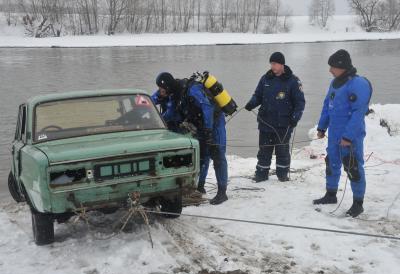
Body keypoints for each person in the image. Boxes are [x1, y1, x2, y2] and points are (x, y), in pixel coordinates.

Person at [153, 72, 229, 205]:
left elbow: (207, 107)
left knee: (218, 156)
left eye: (161, 88)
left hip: (215, 122)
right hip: (200, 124)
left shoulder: (192, 90)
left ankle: (222, 192)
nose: (160, 91)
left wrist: (208, 130)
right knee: (202, 156)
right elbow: (169, 113)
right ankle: (199, 188)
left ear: (167, 86)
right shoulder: (174, 94)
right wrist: (155, 121)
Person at [313, 49, 372, 218]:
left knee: (353, 167)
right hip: (334, 134)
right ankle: (330, 195)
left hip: (350, 137)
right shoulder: (334, 83)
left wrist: (348, 137)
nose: (330, 70)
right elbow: (327, 106)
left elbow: (358, 113)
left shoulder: (357, 84)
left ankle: (358, 204)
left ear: (342, 66)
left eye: (332, 67)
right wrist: (322, 127)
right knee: (331, 163)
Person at [244, 52, 305, 182]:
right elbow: (257, 95)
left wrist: (295, 118)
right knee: (264, 151)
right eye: (271, 64)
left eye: (275, 64)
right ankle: (261, 175)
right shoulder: (265, 78)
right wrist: (251, 103)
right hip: (265, 122)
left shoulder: (293, 81)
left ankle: (282, 176)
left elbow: (300, 103)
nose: (272, 66)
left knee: (282, 152)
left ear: (282, 64)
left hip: (284, 124)